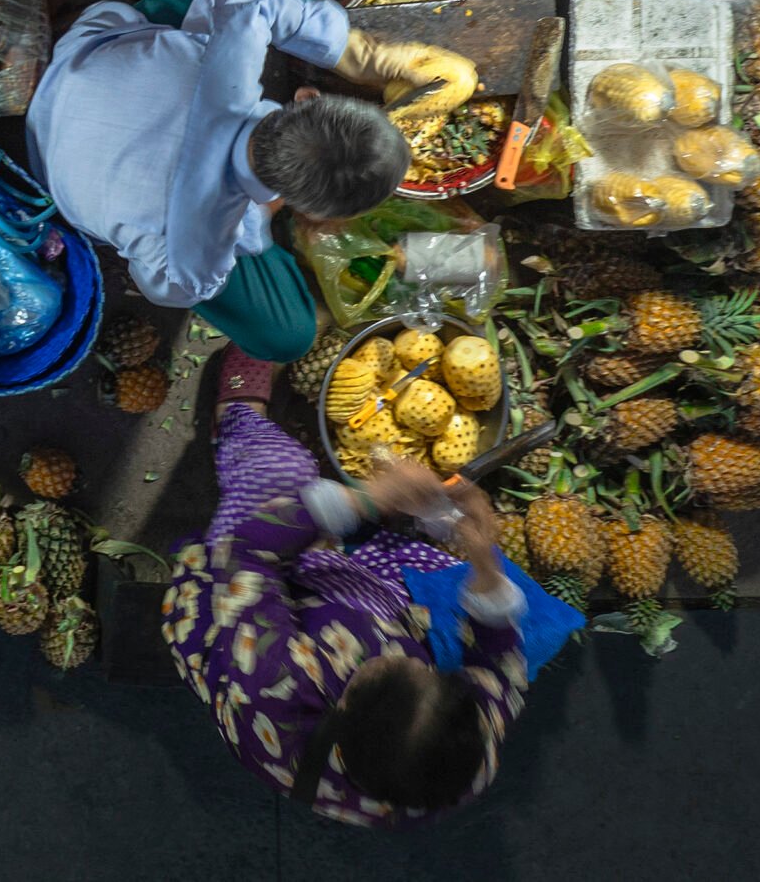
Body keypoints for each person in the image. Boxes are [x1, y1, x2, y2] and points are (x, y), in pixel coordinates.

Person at [23, 0, 475, 361]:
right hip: (55, 173)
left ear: (306, 99)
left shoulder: (226, 64)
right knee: (286, 339)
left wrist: (359, 54)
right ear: (311, 213)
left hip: (84, 62)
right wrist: (257, 214)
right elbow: (160, 284)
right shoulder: (199, 247)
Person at [162, 350, 530, 826]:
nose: (398, 656)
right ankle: (343, 543)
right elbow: (502, 674)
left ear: (342, 702)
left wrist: (367, 498)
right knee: (443, 562)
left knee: (282, 479)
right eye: (423, 669)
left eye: (379, 667)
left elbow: (245, 553)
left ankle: (237, 418)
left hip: (239, 617)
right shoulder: (464, 761)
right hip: (343, 608)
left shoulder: (277, 686)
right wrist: (485, 569)